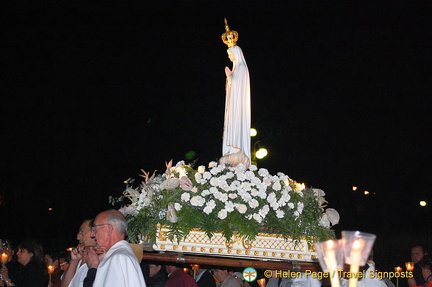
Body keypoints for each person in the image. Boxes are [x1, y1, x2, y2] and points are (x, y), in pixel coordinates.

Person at [83, 209, 146, 286]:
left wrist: (93, 268)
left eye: (95, 229)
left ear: (110, 229)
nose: (92, 235)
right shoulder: (119, 256)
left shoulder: (118, 258)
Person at [220, 20, 251, 167]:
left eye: (230, 54)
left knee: (236, 126)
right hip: (233, 108)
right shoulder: (236, 69)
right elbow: (232, 88)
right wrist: (229, 79)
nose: (229, 57)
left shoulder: (242, 68)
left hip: (239, 109)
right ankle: (230, 151)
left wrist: (230, 77)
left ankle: (237, 150)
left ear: (236, 53)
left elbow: (239, 88)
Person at [61, 219, 97, 287]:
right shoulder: (78, 259)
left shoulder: (101, 260)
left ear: (94, 232)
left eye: (82, 232)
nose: (78, 237)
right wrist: (74, 261)